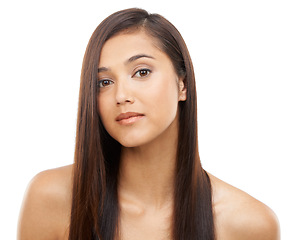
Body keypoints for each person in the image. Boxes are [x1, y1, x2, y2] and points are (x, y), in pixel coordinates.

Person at [17, 8, 280, 240]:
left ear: (183, 85)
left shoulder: (249, 224)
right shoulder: (53, 198)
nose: (121, 96)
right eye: (104, 83)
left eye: (142, 72)